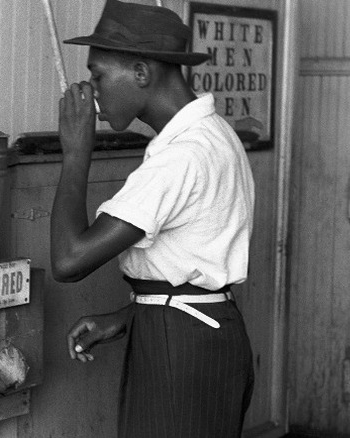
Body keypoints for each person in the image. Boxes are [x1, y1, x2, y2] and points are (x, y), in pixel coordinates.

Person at [49, 1, 256, 437]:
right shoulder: (210, 134)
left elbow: (70, 260)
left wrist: (75, 154)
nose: (93, 89)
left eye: (98, 75)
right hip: (195, 329)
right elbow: (192, 267)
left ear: (142, 73)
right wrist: (128, 316)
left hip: (181, 347)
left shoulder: (184, 156)